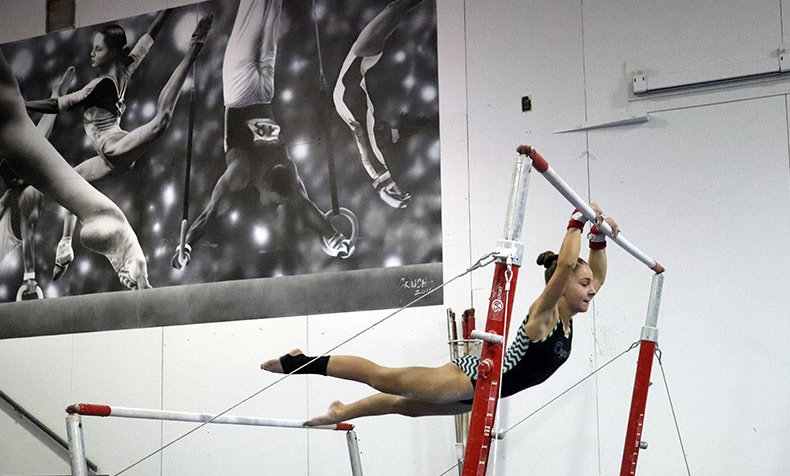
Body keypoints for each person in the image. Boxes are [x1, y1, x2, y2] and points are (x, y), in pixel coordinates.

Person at [261, 205, 619, 425]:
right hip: (474, 380)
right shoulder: (544, 317)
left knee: (406, 407)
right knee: (382, 377)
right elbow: (569, 262)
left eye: (591, 285)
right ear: (562, 284)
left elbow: (597, 273)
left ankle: (341, 411)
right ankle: (300, 362)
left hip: (483, 394)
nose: (592, 289)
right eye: (584, 284)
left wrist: (599, 237)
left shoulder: (569, 319)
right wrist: (576, 221)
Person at [0, 47, 150, 329]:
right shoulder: (21, 197)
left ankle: (99, 212)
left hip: (14, 224)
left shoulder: (23, 196)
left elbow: (11, 114)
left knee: (4, 100)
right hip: (10, 227)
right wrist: (24, 273)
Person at [25, 9, 214, 279]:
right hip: (110, 155)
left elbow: (57, 105)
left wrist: (22, 105)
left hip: (114, 149)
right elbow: (149, 37)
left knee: (162, 121)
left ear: (112, 53)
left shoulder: (99, 86)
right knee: (71, 183)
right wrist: (168, 9)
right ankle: (65, 247)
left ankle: (194, 48)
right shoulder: (124, 68)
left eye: (98, 49)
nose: (92, 53)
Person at [172, 0, 357, 271]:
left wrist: (334, 236)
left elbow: (307, 208)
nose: (275, 205)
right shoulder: (251, 174)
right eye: (277, 202)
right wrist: (186, 245)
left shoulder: (266, 172)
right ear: (268, 190)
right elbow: (209, 215)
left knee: (269, 9)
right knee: (258, 8)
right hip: (243, 91)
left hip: (259, 91)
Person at [0, 67, 76, 300]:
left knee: (41, 133)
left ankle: (56, 94)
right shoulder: (23, 193)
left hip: (25, 187)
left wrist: (29, 276)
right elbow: (23, 232)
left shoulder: (27, 163)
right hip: (10, 229)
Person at [333, 0, 425, 209]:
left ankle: (384, 183)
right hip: (350, 84)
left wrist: (382, 181)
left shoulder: (361, 119)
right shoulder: (363, 118)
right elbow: (366, 143)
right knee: (396, 10)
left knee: (395, 9)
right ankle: (384, 183)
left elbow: (364, 143)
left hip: (349, 86)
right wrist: (383, 183)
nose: (386, 129)